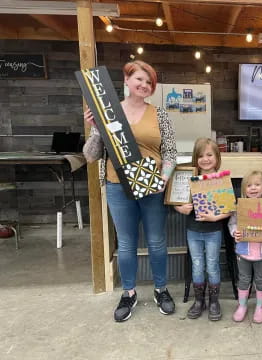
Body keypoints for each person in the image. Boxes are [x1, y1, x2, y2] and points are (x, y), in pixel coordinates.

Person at [82, 60, 177, 322]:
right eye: (139, 79)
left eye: (149, 82)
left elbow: (170, 152)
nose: (144, 85)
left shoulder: (160, 114)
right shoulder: (108, 113)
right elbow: (90, 156)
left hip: (152, 186)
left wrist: (163, 178)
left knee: (157, 240)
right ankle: (129, 293)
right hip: (117, 184)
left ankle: (161, 289)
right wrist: (96, 129)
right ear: (126, 81)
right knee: (125, 243)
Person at [174, 138, 231, 321]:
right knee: (197, 265)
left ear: (217, 157)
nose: (205, 159)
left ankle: (214, 301)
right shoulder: (189, 179)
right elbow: (175, 199)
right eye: (200, 156)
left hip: (213, 230)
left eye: (209, 155)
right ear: (194, 158)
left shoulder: (221, 179)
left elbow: (230, 209)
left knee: (212, 265)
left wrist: (216, 217)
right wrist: (180, 208)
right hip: (193, 229)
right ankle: (199, 300)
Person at [228, 170, 262, 324]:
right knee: (244, 279)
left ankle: (259, 306)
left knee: (261, 279)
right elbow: (232, 223)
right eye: (249, 185)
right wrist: (235, 232)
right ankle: (242, 305)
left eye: (257, 184)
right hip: (243, 251)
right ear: (244, 189)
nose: (253, 188)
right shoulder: (240, 207)